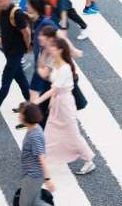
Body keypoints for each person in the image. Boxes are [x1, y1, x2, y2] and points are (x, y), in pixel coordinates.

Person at [34, 37, 95, 175]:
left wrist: (37, 102)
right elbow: (47, 76)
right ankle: (44, 159)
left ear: (60, 50)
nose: (50, 50)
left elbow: (54, 89)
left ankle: (89, 160)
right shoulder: (57, 64)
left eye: (53, 48)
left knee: (73, 133)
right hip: (57, 103)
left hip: (65, 104)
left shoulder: (65, 68)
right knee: (51, 130)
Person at [26, 0, 58, 127]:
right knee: (35, 91)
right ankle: (32, 118)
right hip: (40, 65)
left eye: (28, 4)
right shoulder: (37, 20)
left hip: (47, 68)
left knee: (43, 97)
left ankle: (34, 120)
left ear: (34, 6)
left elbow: (58, 39)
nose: (26, 6)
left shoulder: (46, 22)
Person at [18, 102, 55, 206]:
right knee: (35, 202)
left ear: (27, 117)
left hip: (32, 176)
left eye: (21, 114)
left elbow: (42, 158)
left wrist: (48, 179)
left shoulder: (34, 135)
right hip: (33, 175)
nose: (19, 116)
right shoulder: (35, 128)